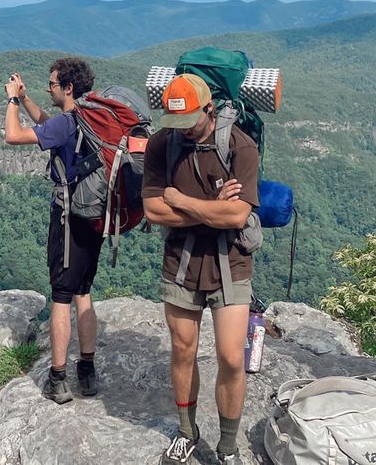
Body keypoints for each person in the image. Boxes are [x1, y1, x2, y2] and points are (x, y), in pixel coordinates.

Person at [142, 74, 259, 465]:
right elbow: (153, 210)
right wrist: (211, 207)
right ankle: (186, 430)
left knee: (230, 357)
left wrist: (181, 200)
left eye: (190, 120)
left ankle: (227, 446)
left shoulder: (240, 146)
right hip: (181, 263)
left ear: (209, 109)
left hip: (231, 263)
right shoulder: (162, 143)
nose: (183, 130)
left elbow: (238, 215)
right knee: (182, 350)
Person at [4, 57, 102, 404]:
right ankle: (87, 371)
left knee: (62, 296)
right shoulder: (89, 117)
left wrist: (13, 100)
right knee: (83, 291)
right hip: (95, 216)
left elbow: (13, 136)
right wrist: (30, 98)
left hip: (68, 218)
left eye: (52, 83)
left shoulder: (67, 123)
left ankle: (58, 377)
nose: (49, 88)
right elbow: (49, 125)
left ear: (68, 88)